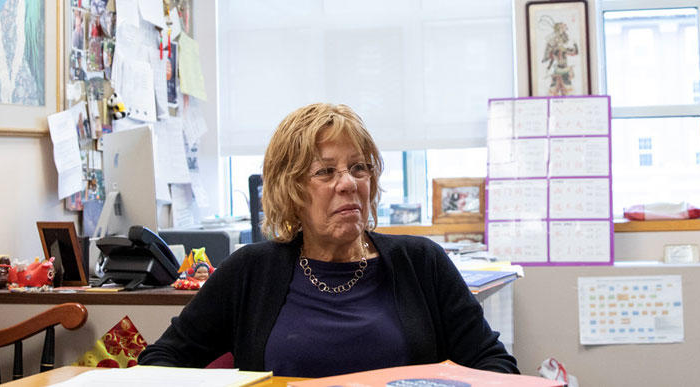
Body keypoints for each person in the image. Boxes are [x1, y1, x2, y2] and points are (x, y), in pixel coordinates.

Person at [139, 103, 517, 377]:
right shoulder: (250, 271)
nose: (350, 182)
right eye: (325, 171)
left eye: (359, 168)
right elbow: (160, 362)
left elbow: (494, 364)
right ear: (291, 190)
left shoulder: (421, 261)